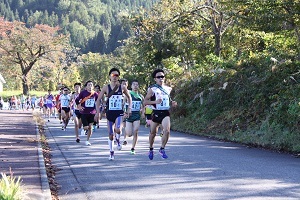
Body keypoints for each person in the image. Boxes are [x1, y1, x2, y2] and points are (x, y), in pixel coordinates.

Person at [95, 68, 132, 160]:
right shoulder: (106, 87)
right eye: (113, 75)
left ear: (118, 77)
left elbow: (129, 98)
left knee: (117, 129)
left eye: (117, 75)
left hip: (119, 112)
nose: (115, 77)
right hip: (109, 113)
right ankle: (111, 152)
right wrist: (97, 112)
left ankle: (118, 140)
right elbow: (98, 100)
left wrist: (129, 109)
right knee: (111, 134)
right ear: (109, 76)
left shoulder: (122, 87)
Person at [143, 68, 177, 160]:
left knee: (167, 131)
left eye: (162, 76)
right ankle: (151, 149)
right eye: (158, 77)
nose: (161, 78)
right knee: (153, 133)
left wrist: (173, 104)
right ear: (155, 79)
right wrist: (155, 102)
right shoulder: (152, 89)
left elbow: (168, 101)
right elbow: (145, 101)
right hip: (156, 112)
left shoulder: (168, 89)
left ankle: (162, 148)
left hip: (165, 112)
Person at [124, 80, 144, 155]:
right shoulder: (128, 94)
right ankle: (127, 135)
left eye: (137, 85)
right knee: (129, 134)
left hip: (136, 116)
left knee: (136, 131)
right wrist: (124, 112)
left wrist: (143, 113)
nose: (135, 86)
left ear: (138, 87)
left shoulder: (140, 96)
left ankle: (133, 148)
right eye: (134, 85)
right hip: (129, 116)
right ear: (131, 86)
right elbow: (123, 104)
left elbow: (143, 105)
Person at [75, 80, 98, 146]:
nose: (90, 86)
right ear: (86, 86)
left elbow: (98, 101)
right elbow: (77, 100)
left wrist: (97, 111)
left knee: (90, 127)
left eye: (91, 85)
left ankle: (87, 140)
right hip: (84, 112)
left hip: (92, 113)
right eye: (89, 85)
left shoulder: (95, 94)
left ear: (93, 86)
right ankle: (84, 128)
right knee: (86, 127)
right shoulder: (83, 93)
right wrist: (79, 106)